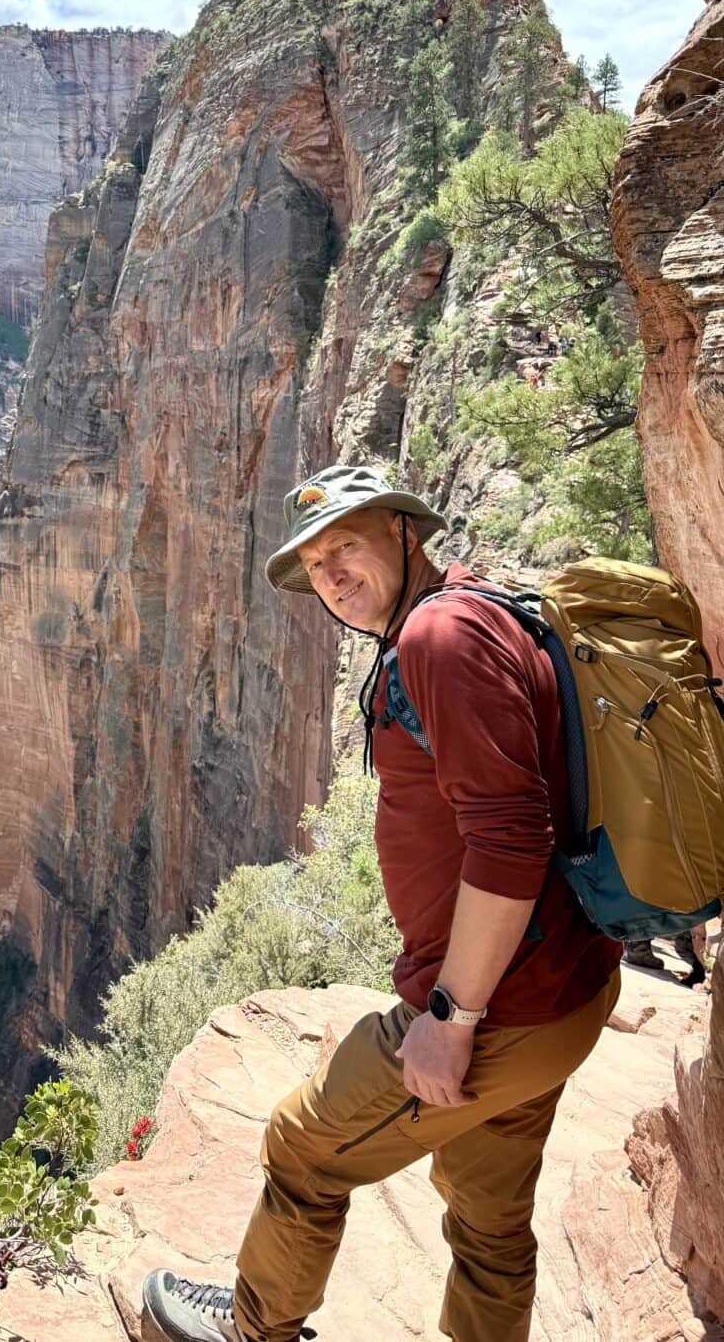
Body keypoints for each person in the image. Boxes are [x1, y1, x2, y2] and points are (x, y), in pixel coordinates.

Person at [143, 465, 622, 1342]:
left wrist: (451, 1016)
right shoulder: (475, 605)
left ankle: (256, 1326)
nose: (331, 574)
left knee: (303, 1146)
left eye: (346, 545)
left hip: (500, 1006)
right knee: (489, 1217)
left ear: (405, 530)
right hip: (561, 985)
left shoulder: (439, 637)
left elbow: (511, 837)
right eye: (314, 562)